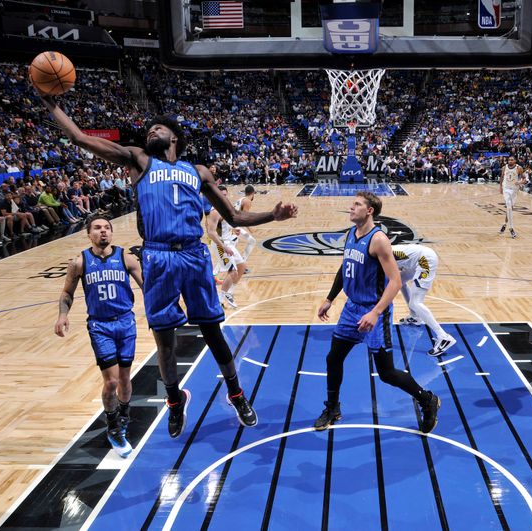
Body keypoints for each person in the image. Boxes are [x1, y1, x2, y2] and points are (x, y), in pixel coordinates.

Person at [38, 92, 298, 438]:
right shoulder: (140, 161)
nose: (149, 133)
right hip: (158, 255)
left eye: (156, 128)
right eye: (147, 130)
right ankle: (174, 401)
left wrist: (273, 215)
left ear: (174, 136)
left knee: (212, 331)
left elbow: (233, 215)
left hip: (193, 254)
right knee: (165, 341)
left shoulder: (198, 171)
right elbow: (79, 138)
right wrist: (51, 105)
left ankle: (237, 394)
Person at [315, 191, 440, 433]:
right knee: (333, 358)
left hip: (375, 311)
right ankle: (332, 408)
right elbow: (345, 268)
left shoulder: (379, 240)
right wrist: (330, 299)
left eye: (357, 204)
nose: (351, 207)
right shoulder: (352, 233)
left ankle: (427, 400)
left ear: (369, 210)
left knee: (386, 372)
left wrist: (375, 313)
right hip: (351, 309)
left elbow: (394, 281)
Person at [54, 217, 144, 458]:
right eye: (97, 228)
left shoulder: (125, 257)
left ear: (111, 233)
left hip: (126, 322)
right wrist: (63, 315)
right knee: (111, 381)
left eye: (106, 228)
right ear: (88, 234)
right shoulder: (79, 262)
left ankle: (123, 414)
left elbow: (147, 286)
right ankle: (112, 424)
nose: (103, 231)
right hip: (100, 326)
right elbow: (67, 292)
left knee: (125, 378)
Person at [392, 243, 457, 357]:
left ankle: (444, 337)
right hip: (418, 258)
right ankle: (414, 316)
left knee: (416, 302)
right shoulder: (382, 252)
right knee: (400, 281)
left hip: (425, 260)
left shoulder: (381, 257)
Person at [206, 185, 248, 309]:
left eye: (225, 194)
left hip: (227, 241)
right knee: (233, 272)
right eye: (221, 195)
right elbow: (211, 233)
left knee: (241, 266)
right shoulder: (214, 212)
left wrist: (233, 230)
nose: (224, 197)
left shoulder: (225, 208)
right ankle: (220, 298)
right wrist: (224, 247)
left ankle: (228, 293)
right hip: (220, 244)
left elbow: (225, 225)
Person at [499, 155, 525, 239]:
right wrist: (500, 187)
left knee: (509, 208)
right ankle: (511, 228)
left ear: (515, 161)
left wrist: (520, 182)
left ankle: (505, 224)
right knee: (509, 206)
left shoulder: (519, 168)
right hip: (506, 188)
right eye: (509, 160)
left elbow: (525, 179)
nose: (510, 161)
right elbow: (502, 178)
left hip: (514, 190)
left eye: (512, 160)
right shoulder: (504, 167)